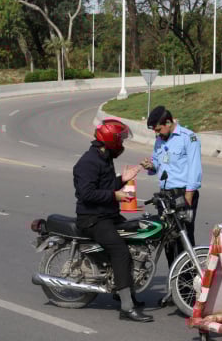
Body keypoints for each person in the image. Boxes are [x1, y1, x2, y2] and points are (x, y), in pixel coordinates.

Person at [73, 118, 153, 323]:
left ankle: (123, 288)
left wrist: (122, 180)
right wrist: (115, 195)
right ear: (111, 140)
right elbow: (86, 194)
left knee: (136, 236)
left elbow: (105, 186)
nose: (122, 145)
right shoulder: (88, 162)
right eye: (121, 140)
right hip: (93, 219)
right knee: (120, 251)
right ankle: (126, 308)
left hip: (108, 215)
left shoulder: (104, 158)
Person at [140, 106, 202, 267]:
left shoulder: (188, 138)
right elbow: (157, 163)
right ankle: (174, 282)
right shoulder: (160, 140)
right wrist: (150, 166)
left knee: (184, 239)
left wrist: (188, 197)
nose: (157, 133)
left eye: (159, 129)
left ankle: (186, 285)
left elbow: (195, 169)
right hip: (165, 196)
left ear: (168, 122)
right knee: (168, 240)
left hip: (183, 194)